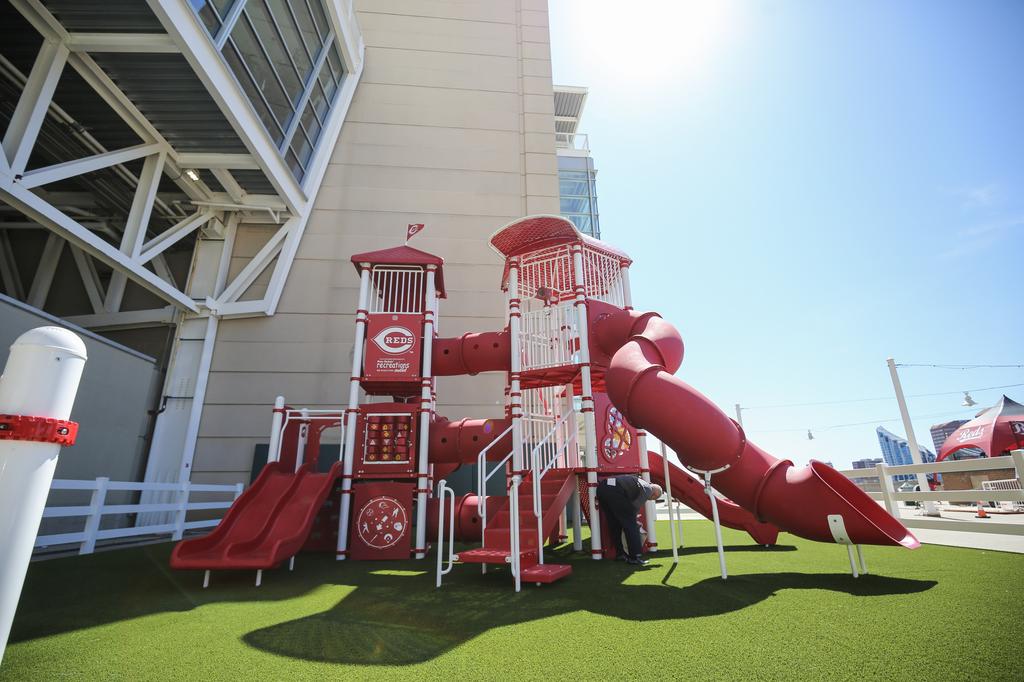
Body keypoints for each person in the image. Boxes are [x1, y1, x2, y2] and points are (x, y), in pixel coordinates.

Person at [595, 475, 663, 566]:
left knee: (615, 524)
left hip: (602, 488)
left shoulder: (641, 482)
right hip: (615, 491)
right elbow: (634, 507)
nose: (650, 500)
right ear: (654, 494)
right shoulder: (648, 490)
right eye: (653, 499)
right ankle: (635, 557)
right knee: (632, 526)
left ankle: (620, 554)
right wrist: (633, 521)